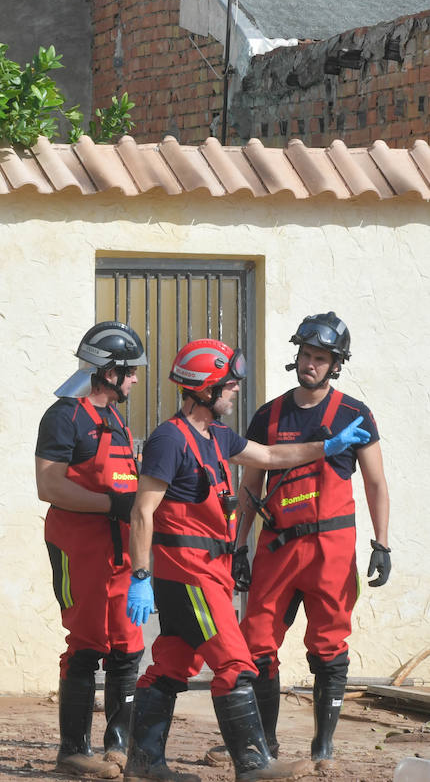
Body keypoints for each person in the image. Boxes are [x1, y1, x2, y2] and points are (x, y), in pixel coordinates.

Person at [125, 338, 369, 782]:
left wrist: (328, 445)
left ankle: (144, 765)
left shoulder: (218, 435)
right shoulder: (168, 439)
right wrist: (140, 575)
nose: (235, 390)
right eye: (229, 384)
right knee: (237, 664)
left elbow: (273, 456)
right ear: (204, 388)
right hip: (188, 572)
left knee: (172, 664)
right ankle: (254, 764)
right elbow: (142, 511)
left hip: (210, 571)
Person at [230, 312, 389, 772]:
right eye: (305, 356)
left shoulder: (355, 414)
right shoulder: (269, 415)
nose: (310, 365)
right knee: (256, 641)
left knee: (329, 645)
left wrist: (382, 544)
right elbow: (250, 484)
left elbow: (376, 483)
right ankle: (266, 744)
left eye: (320, 359)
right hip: (277, 547)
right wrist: (240, 544)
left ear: (336, 364)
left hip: (331, 550)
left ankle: (323, 746)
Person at [34, 322, 148, 778]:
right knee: (85, 643)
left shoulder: (115, 418)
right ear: (109, 370)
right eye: (131, 371)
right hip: (76, 545)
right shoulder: (63, 416)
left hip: (119, 548)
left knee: (127, 643)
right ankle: (73, 751)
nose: (136, 379)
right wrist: (113, 503)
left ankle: (118, 746)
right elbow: (49, 486)